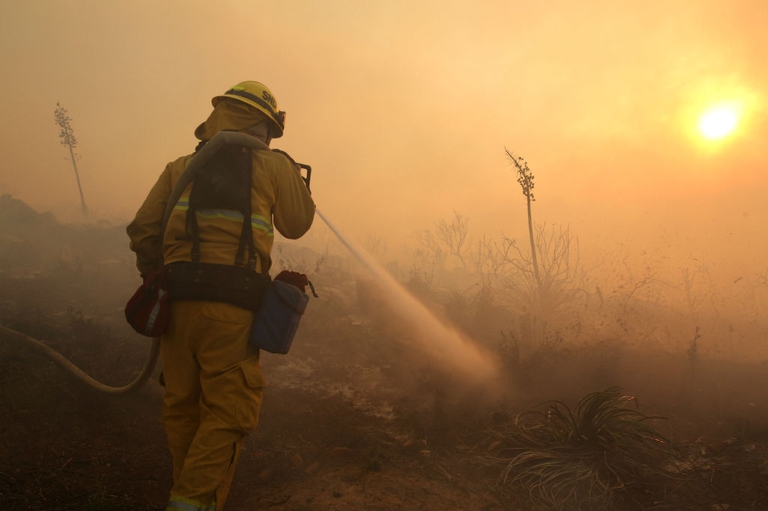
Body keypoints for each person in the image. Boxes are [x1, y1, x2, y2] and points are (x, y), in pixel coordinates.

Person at [126, 81, 315, 511]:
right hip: (232, 311)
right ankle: (190, 503)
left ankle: (189, 496)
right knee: (229, 412)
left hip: (176, 305)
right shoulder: (273, 165)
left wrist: (158, 278)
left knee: (183, 408)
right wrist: (288, 170)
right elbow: (297, 223)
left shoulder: (179, 168)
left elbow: (142, 229)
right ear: (264, 125)